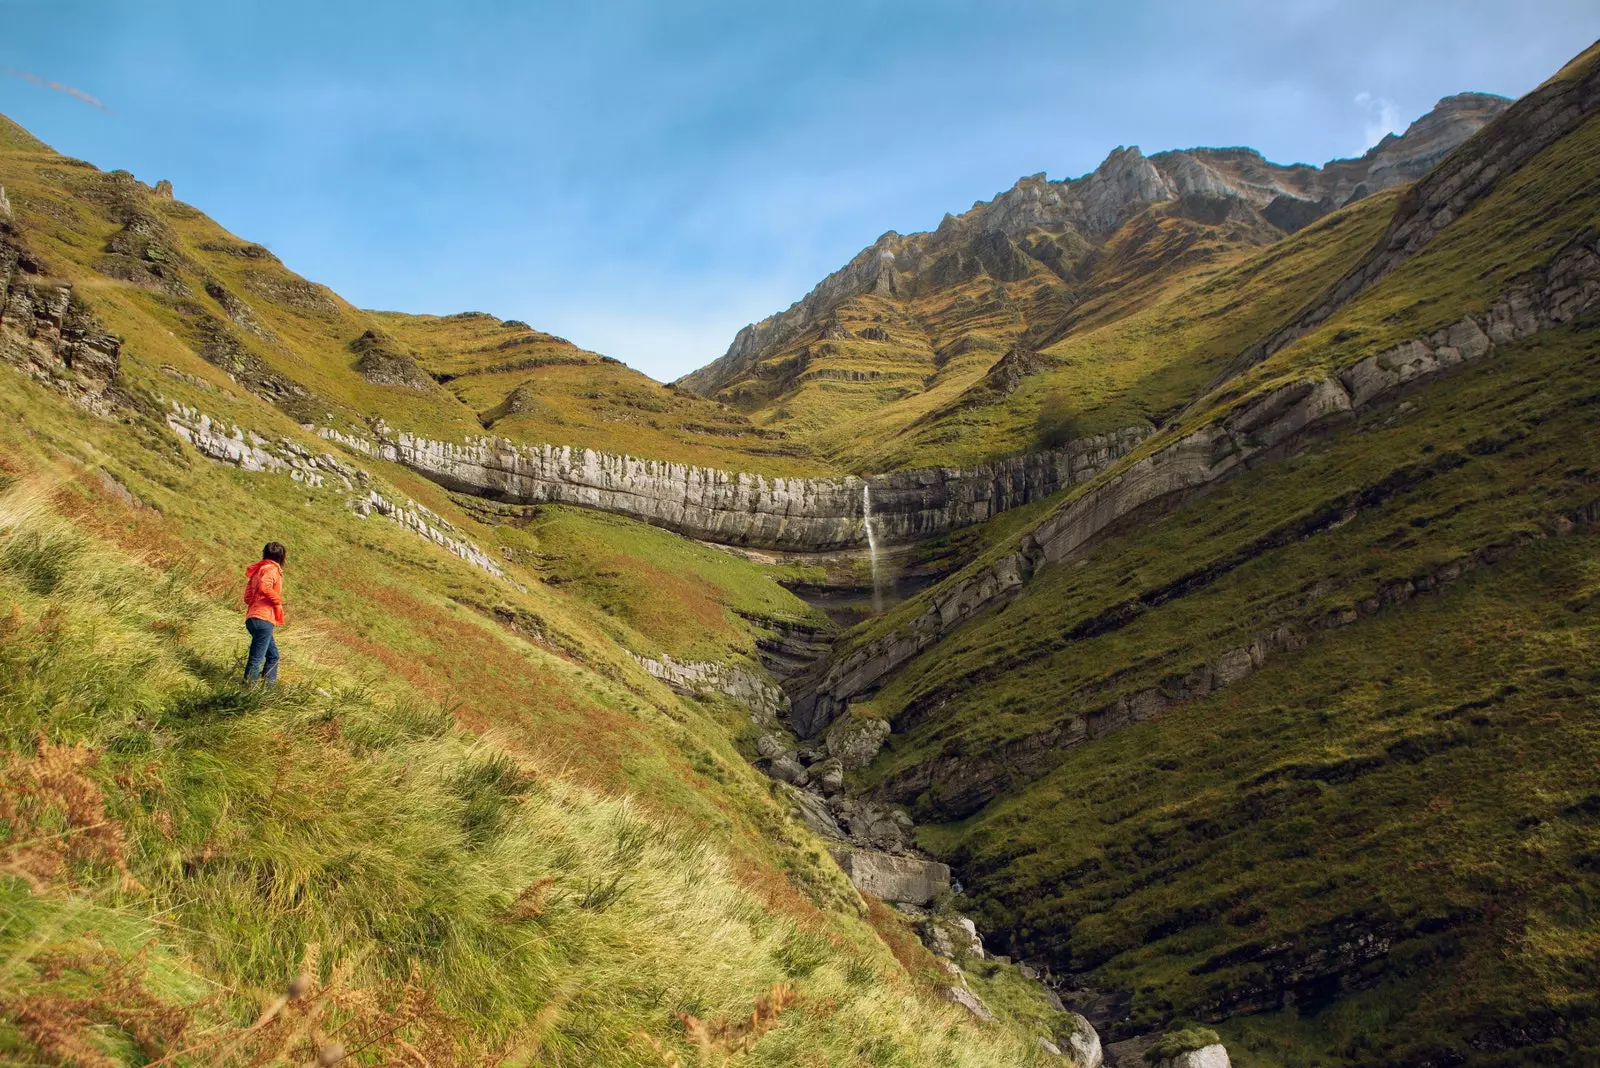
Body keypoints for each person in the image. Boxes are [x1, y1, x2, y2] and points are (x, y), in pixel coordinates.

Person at [243, 542, 287, 684]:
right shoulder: (272, 569)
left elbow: (247, 597)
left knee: (273, 655)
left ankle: (267, 690)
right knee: (256, 659)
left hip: (252, 618)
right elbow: (264, 587)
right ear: (281, 557)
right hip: (264, 619)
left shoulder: (258, 570)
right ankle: (249, 691)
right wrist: (277, 600)